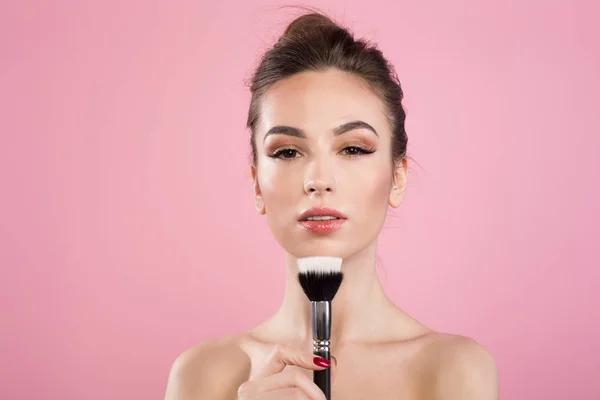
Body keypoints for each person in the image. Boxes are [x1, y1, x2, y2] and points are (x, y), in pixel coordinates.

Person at [164, 10, 499, 400]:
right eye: (287, 152)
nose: (318, 180)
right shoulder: (203, 376)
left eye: (353, 148)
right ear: (257, 183)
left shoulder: (452, 369)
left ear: (398, 177)